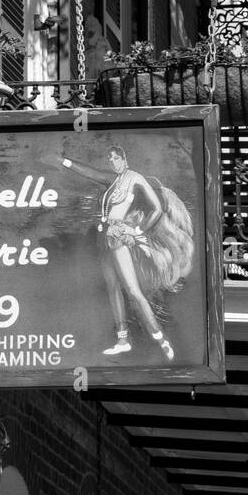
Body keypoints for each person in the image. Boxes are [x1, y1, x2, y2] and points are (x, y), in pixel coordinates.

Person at [61, 145, 194, 361]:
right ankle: (122, 340)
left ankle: (160, 339)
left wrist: (138, 230)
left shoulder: (134, 178)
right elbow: (90, 173)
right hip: (102, 236)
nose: (112, 161)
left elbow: (157, 208)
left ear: (124, 159)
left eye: (116, 158)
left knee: (132, 290)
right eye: (110, 158)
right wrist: (63, 161)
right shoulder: (112, 181)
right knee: (112, 288)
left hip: (117, 235)